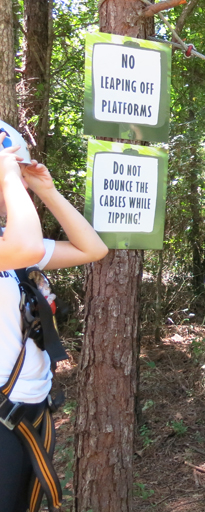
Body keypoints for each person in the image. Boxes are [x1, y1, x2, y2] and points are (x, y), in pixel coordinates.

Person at [0, 121, 108, 512]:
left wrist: (47, 190)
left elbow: (92, 248)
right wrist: (9, 175)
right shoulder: (16, 246)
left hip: (29, 411)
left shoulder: (8, 243)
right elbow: (27, 244)